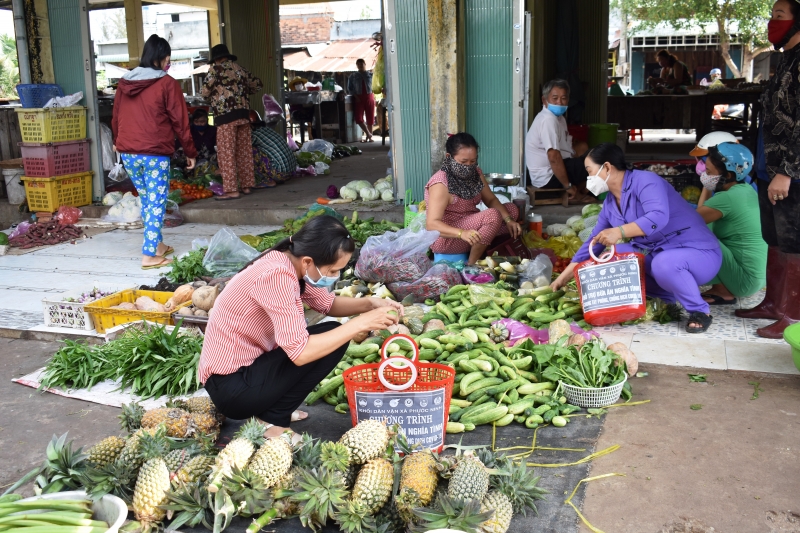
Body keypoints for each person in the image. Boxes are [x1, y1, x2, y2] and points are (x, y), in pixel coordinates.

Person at [198, 215, 403, 439]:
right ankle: (272, 420)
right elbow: (301, 353)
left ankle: (269, 411)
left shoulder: (291, 261)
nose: (334, 277)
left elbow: (327, 304)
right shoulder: (277, 275)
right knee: (332, 339)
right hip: (232, 388)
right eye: (333, 271)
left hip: (245, 373)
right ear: (308, 261)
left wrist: (370, 303)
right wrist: (361, 323)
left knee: (332, 333)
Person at [551, 143, 722, 333]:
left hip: (699, 255)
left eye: (589, 171)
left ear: (607, 167)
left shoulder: (646, 181)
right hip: (661, 254)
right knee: (617, 256)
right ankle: (663, 297)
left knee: (663, 264)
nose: (588, 178)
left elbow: (658, 216)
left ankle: (699, 311)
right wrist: (562, 279)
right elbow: (593, 243)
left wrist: (620, 232)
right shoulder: (610, 203)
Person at [736, 0, 800, 338]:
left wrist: (787, 171)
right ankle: (773, 303)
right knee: (773, 238)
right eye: (771, 16)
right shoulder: (786, 58)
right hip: (767, 166)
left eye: (779, 16)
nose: (771, 22)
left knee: (794, 243)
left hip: (790, 173)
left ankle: (793, 316)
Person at [112, 34, 196, 270]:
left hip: (128, 151)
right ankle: (149, 255)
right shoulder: (167, 83)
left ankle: (157, 245)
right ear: (162, 58)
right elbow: (181, 122)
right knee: (156, 202)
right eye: (168, 58)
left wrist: (117, 140)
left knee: (148, 199)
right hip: (154, 152)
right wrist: (190, 150)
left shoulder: (125, 82)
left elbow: (116, 115)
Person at [425, 133, 522, 265]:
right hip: (447, 239)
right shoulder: (441, 183)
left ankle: (482, 245)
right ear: (449, 157)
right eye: (463, 162)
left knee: (511, 210)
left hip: (471, 229)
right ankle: (471, 265)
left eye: (473, 161)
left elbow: (491, 200)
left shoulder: (475, 173)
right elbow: (432, 225)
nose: (469, 166)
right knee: (493, 216)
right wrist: (461, 233)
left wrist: (509, 220)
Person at [696, 143, 767, 305]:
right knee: (706, 227)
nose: (704, 175)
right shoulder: (746, 190)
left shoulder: (726, 199)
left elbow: (692, 221)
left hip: (743, 281)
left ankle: (723, 291)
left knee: (696, 234)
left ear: (728, 175)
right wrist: (709, 184)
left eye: (708, 172)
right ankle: (723, 285)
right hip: (757, 279)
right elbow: (703, 213)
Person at [201, 44, 263, 201]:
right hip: (243, 114)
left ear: (216, 59)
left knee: (226, 154)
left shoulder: (215, 70)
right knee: (244, 151)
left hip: (225, 117)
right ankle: (247, 186)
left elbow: (204, 93)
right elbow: (257, 85)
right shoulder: (239, 69)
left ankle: (231, 191)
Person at [525, 79, 591, 203]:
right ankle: (576, 193)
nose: (559, 102)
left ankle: (580, 191)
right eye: (555, 98)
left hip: (551, 171)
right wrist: (567, 186)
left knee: (585, 149)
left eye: (563, 98)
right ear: (544, 100)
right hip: (547, 176)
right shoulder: (547, 120)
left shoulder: (559, 118)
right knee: (598, 161)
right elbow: (554, 157)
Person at [347, 59, 375, 142]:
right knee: (358, 118)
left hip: (369, 97)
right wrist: (356, 96)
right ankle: (368, 133)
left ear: (365, 64)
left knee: (370, 118)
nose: (360, 65)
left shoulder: (371, 75)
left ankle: (369, 137)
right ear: (356, 65)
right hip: (358, 98)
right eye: (358, 64)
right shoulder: (353, 76)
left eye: (361, 63)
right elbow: (350, 88)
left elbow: (376, 85)